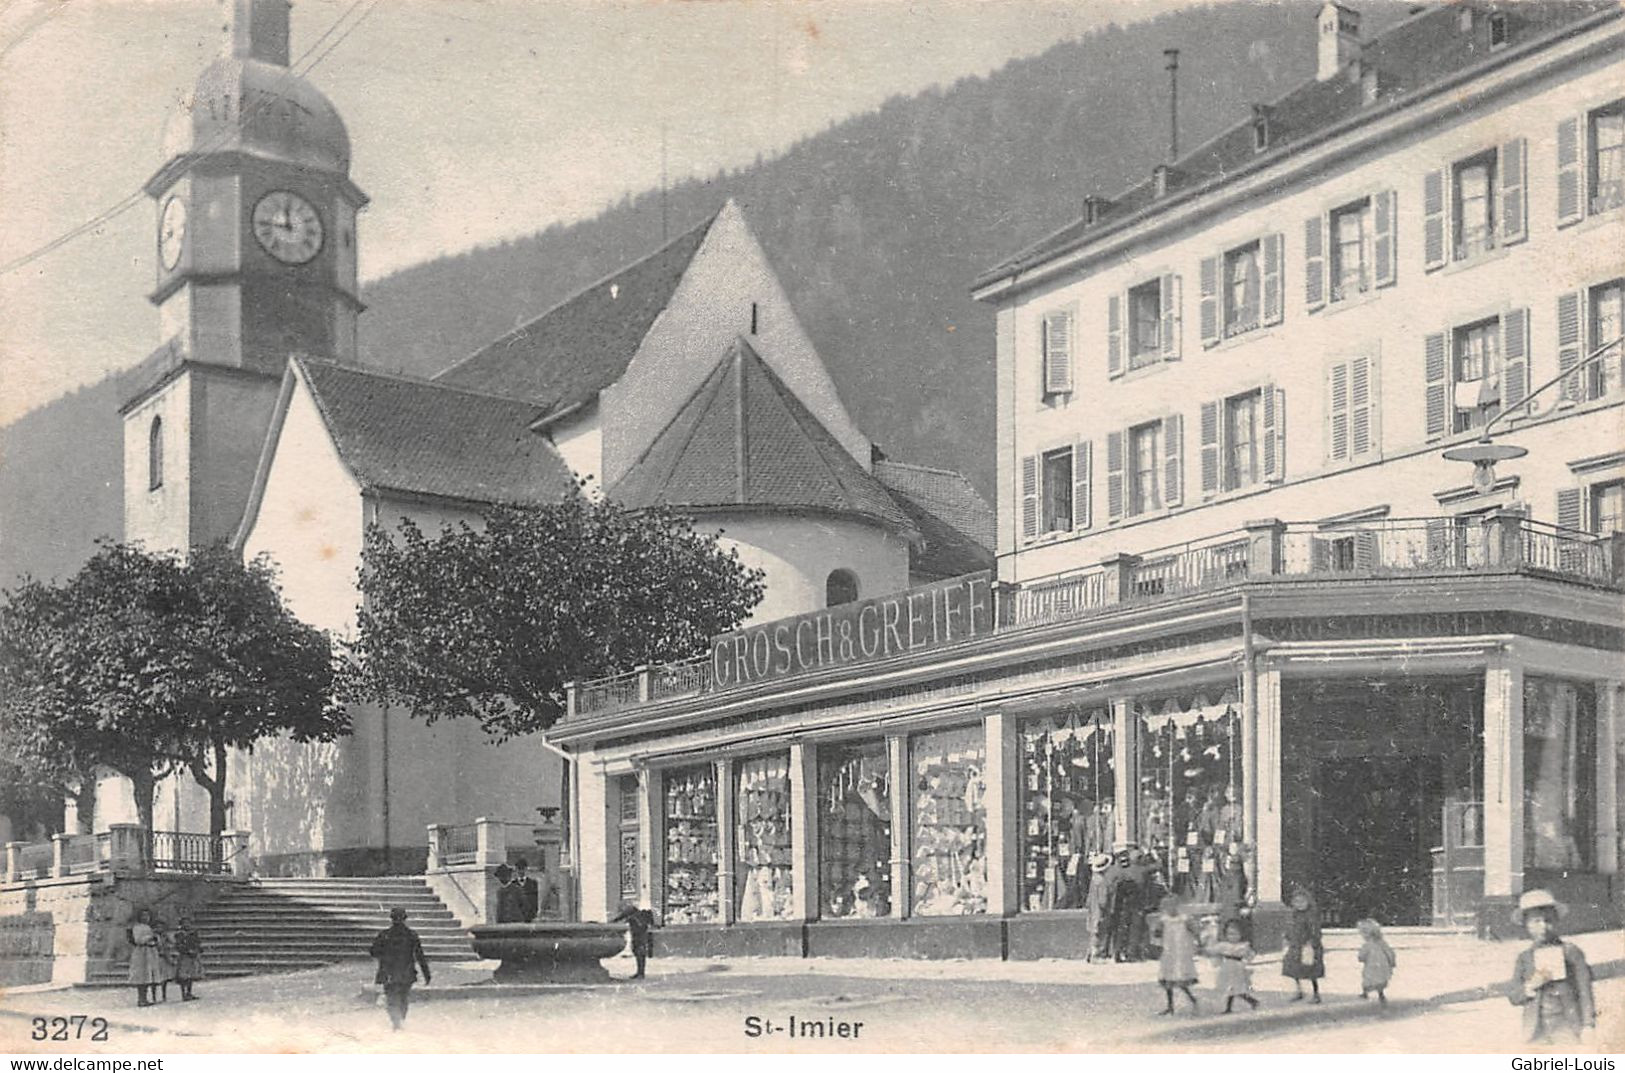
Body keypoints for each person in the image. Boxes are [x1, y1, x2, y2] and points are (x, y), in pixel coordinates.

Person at [1507, 889, 1595, 1044]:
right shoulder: (1525, 958)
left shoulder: (1571, 952)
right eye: (1536, 921)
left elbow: (1585, 990)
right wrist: (1529, 987)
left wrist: (1588, 1025)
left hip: (1566, 1026)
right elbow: (1513, 996)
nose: (1543, 926)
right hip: (1535, 1030)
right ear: (1526, 925)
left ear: (1556, 921)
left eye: (1548, 920)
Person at [369, 907, 431, 1031]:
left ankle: (396, 1020)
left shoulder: (384, 935)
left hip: (389, 972)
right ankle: (400, 1018)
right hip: (406, 972)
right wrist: (426, 974)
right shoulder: (411, 935)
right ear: (405, 919)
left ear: (391, 919)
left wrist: (384, 955)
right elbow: (420, 955)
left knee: (391, 997)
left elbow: (373, 951)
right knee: (403, 996)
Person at [1155, 895, 1200, 1015]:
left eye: (1173, 906)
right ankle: (1170, 1006)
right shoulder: (1164, 920)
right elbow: (1157, 933)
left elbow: (1195, 930)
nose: (1170, 909)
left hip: (1180, 952)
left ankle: (1191, 998)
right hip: (1169, 952)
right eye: (1167, 907)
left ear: (1178, 906)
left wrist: (1197, 938)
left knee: (1180, 978)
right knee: (1168, 979)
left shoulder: (1184, 919)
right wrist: (1157, 930)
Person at [1281, 885, 1324, 1003]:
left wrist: (1312, 942)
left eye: (1302, 901)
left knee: (1311, 970)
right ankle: (1299, 990)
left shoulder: (1311, 915)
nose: (1299, 904)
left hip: (1308, 946)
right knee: (1294, 969)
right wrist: (1286, 937)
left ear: (1308, 901)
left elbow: (1315, 931)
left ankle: (1316, 994)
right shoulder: (1293, 915)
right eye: (1296, 901)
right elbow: (1290, 928)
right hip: (1295, 946)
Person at [1207, 918, 1260, 1013]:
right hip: (1227, 967)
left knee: (1237, 988)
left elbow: (1251, 954)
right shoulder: (1224, 945)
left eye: (1235, 934)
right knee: (1230, 988)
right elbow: (1213, 951)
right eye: (1229, 934)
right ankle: (1230, 1007)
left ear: (1241, 935)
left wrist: (1245, 962)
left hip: (1237, 968)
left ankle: (1251, 1001)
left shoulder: (1243, 946)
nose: (1232, 937)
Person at [125, 908, 166, 1007]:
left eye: (147, 916)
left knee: (148, 976)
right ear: (139, 917)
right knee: (142, 976)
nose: (146, 918)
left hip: (150, 953)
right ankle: (141, 999)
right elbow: (138, 940)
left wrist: (156, 939)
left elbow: (157, 941)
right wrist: (150, 936)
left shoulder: (149, 927)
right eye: (143, 916)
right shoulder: (137, 927)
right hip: (141, 953)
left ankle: (145, 998)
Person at [1356, 917, 1396, 1005]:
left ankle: (1365, 993)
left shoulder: (1367, 944)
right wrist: (1392, 961)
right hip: (1383, 965)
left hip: (1371, 965)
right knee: (1380, 979)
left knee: (1368, 978)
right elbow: (1389, 952)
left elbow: (1362, 954)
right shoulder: (1382, 943)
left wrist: (1361, 958)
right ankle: (1380, 994)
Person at [612, 901, 657, 979]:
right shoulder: (638, 914)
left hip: (639, 933)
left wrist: (611, 922)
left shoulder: (631, 912)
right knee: (638, 952)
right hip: (640, 932)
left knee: (639, 952)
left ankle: (640, 973)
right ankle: (640, 972)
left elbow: (619, 918)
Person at [172, 915, 204, 1001]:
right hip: (184, 957)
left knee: (191, 975)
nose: (187, 925)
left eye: (188, 923)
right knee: (183, 976)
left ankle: (189, 992)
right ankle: (183, 993)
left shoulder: (193, 933)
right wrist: (186, 950)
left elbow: (198, 942)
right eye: (184, 923)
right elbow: (178, 945)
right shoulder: (179, 934)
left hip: (192, 956)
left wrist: (197, 949)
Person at [513, 858, 541, 923]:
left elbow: (535, 900)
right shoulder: (513, 884)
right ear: (516, 870)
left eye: (523, 869)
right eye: (519, 869)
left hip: (529, 917)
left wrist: (533, 914)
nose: (521, 872)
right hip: (516, 917)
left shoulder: (533, 883)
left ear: (526, 869)